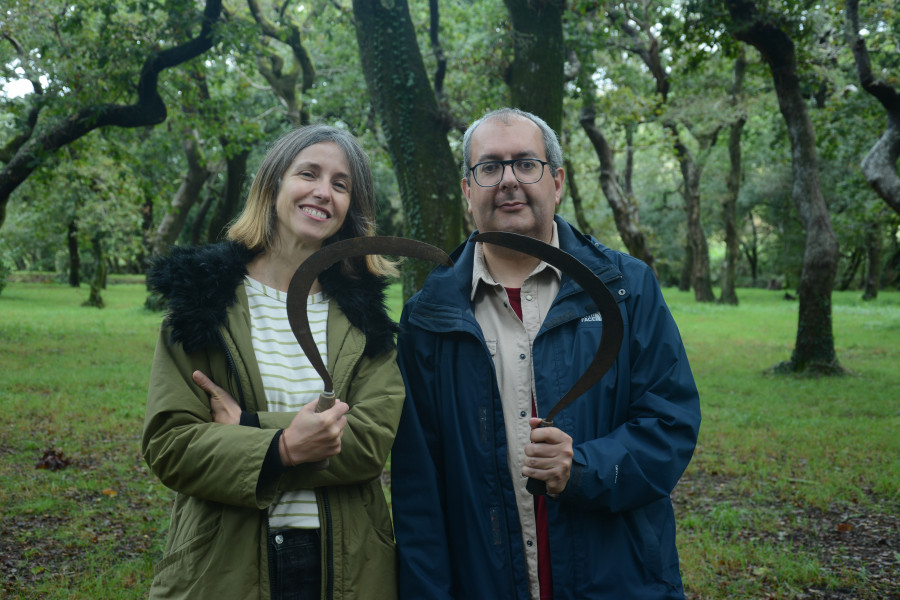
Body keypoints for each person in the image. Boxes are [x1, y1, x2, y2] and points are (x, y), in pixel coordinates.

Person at [391, 108, 701, 600]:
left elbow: (671, 423)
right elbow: (418, 487)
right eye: (489, 167)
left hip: (618, 577)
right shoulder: (429, 317)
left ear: (556, 182)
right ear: (468, 190)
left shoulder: (625, 288)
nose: (509, 180)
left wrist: (582, 466)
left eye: (526, 164)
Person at [142, 125, 403, 600]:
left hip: (347, 565)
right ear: (272, 184)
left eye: (341, 185)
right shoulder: (204, 300)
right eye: (309, 173)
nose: (323, 192)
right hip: (226, 563)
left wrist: (248, 424)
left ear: (351, 209)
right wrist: (281, 449)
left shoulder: (367, 318)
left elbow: (370, 442)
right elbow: (170, 443)